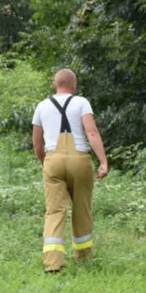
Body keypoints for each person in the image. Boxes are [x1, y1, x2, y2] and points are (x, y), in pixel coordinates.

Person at [31, 69, 109, 272]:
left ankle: (53, 262)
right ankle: (83, 256)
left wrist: (46, 163)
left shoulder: (41, 106)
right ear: (74, 85)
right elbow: (91, 131)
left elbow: (37, 143)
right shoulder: (81, 102)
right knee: (82, 208)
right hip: (79, 161)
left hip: (52, 159)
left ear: (54, 84)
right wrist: (103, 161)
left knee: (55, 211)